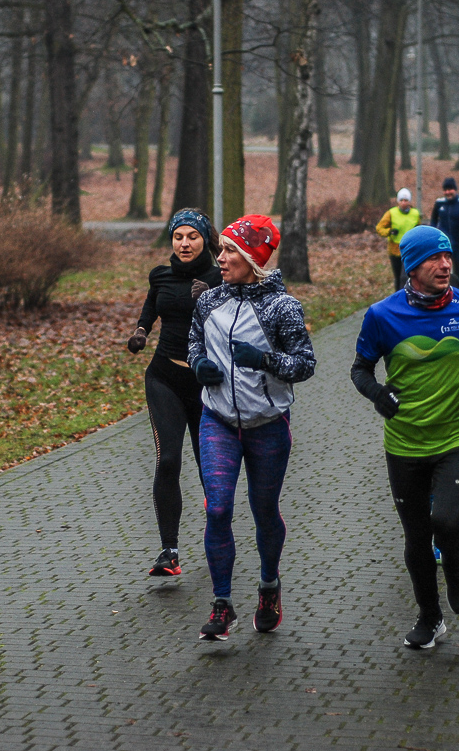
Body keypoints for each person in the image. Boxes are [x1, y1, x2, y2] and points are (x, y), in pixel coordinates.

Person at [351, 226, 459, 649]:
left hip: (454, 437)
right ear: (411, 266)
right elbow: (360, 369)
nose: (445, 265)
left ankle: (457, 562)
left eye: (447, 257)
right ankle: (430, 618)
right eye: (433, 259)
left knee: (444, 521)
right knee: (415, 538)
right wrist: (378, 394)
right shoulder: (382, 315)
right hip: (403, 442)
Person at [188, 214, 316, 641]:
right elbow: (193, 340)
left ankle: (268, 586)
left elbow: (305, 364)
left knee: (264, 512)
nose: (219, 258)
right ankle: (222, 604)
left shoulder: (283, 308)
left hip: (268, 425)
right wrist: (199, 364)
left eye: (228, 251)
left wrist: (264, 360)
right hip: (217, 421)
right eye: (220, 249)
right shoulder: (209, 301)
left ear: (251, 257)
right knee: (218, 507)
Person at [128, 209, 224, 577]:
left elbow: (233, 322)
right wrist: (141, 331)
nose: (184, 243)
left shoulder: (220, 278)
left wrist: (211, 298)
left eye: (192, 237)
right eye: (178, 236)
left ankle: (218, 537)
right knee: (168, 460)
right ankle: (169, 551)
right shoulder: (161, 276)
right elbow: (152, 307)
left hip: (204, 383)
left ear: (204, 240)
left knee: (208, 468)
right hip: (164, 377)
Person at [429, 177, 459, 290]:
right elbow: (433, 221)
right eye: (445, 190)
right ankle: (444, 298)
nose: (447, 192)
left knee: (457, 275)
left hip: (458, 246)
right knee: (442, 275)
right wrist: (433, 235)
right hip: (442, 247)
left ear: (455, 190)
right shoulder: (439, 203)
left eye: (450, 189)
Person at [376, 188, 422, 291]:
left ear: (409, 201)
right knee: (397, 277)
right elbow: (379, 228)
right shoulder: (391, 213)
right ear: (398, 201)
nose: (403, 203)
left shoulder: (415, 214)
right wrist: (389, 231)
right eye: (401, 200)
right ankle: (398, 297)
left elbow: (419, 228)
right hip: (395, 250)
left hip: (410, 250)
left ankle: (406, 296)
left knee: (404, 277)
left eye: (406, 200)